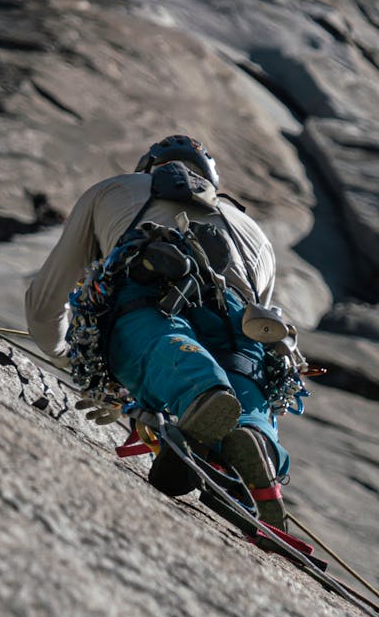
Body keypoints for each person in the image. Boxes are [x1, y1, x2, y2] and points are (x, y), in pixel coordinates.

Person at [25, 134, 291, 528]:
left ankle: (202, 391)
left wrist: (70, 358)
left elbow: (46, 300)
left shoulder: (115, 190)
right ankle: (254, 443)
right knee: (243, 381)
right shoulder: (253, 231)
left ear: (147, 167)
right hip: (240, 317)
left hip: (150, 285)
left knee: (160, 343)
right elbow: (256, 329)